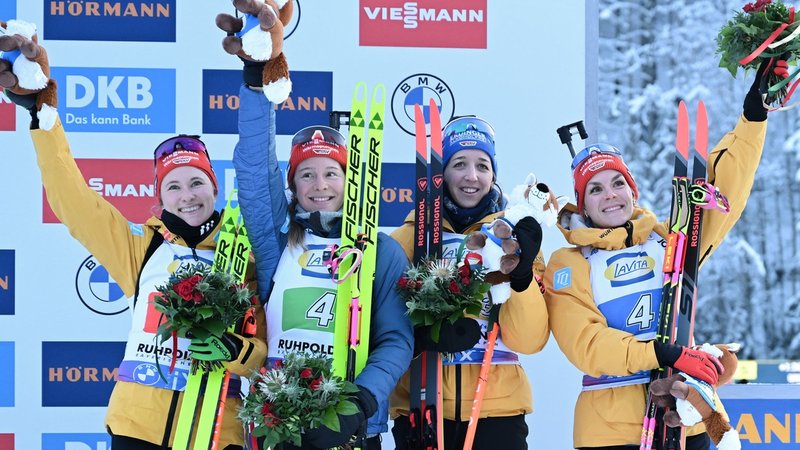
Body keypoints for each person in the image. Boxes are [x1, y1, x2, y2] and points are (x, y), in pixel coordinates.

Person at [3, 36, 267, 450]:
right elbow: (73, 200)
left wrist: (234, 347)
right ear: (159, 198)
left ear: (214, 188)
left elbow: (261, 355)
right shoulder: (142, 250)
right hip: (138, 428)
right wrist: (43, 116)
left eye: (198, 182)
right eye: (174, 186)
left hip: (218, 431)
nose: (188, 195)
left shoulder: (240, 256)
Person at [543, 61, 775, 449]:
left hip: (687, 417)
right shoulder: (569, 261)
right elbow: (586, 344)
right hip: (610, 431)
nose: (611, 194)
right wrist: (660, 352)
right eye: (595, 189)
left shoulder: (668, 239)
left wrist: (753, 117)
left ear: (632, 189)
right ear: (582, 203)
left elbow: (719, 191)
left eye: (618, 182)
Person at [231, 60, 414, 449]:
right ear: (292, 184)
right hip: (276, 416)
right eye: (307, 174)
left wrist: (360, 402)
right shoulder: (276, 240)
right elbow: (252, 170)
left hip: (348, 421)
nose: (320, 185)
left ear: (350, 180)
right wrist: (256, 86)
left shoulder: (379, 251)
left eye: (332, 173)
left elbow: (396, 339)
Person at [389, 116, 550, 450]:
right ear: (441, 172)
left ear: (494, 175)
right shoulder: (407, 238)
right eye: (459, 164)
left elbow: (530, 339)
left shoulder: (512, 240)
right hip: (422, 408)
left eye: (483, 165)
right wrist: (421, 336)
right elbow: (384, 324)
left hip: (498, 411)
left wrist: (520, 279)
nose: (472, 176)